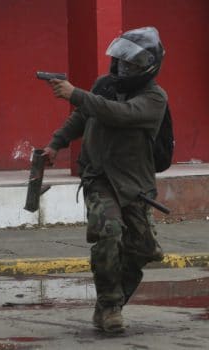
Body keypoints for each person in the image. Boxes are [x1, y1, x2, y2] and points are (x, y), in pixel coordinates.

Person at [43, 26, 167, 333]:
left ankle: (109, 303)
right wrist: (55, 144)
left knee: (143, 250)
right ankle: (111, 306)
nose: (126, 67)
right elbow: (82, 116)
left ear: (149, 65)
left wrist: (78, 94)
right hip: (99, 177)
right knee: (108, 232)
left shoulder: (154, 98)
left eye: (135, 63)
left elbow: (119, 114)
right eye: (124, 60)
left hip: (136, 186)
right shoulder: (105, 85)